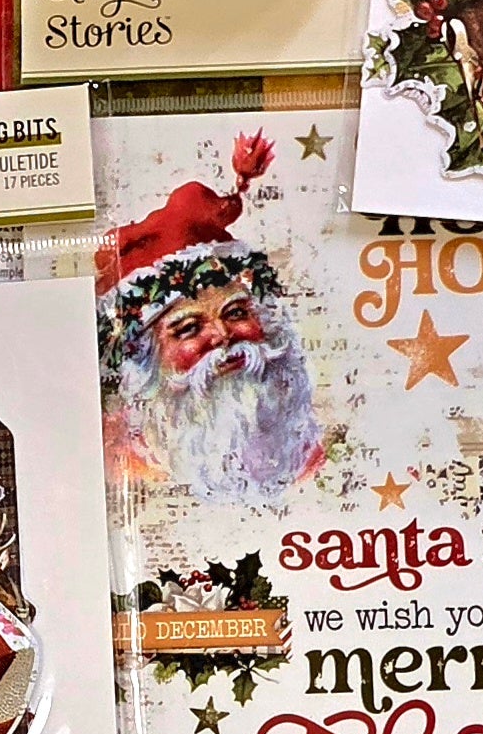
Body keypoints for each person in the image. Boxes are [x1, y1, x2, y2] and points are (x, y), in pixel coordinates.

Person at [97, 151, 325, 503]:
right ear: (145, 359)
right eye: (189, 328)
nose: (222, 336)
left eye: (235, 313)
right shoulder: (126, 467)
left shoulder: (309, 450)